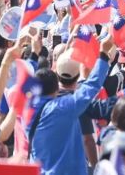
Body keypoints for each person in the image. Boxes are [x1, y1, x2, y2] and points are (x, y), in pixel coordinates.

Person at [29, 35, 116, 175]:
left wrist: (33, 54)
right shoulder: (65, 107)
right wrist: (103, 55)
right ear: (55, 87)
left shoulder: (25, 108)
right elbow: (91, 86)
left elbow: (23, 80)